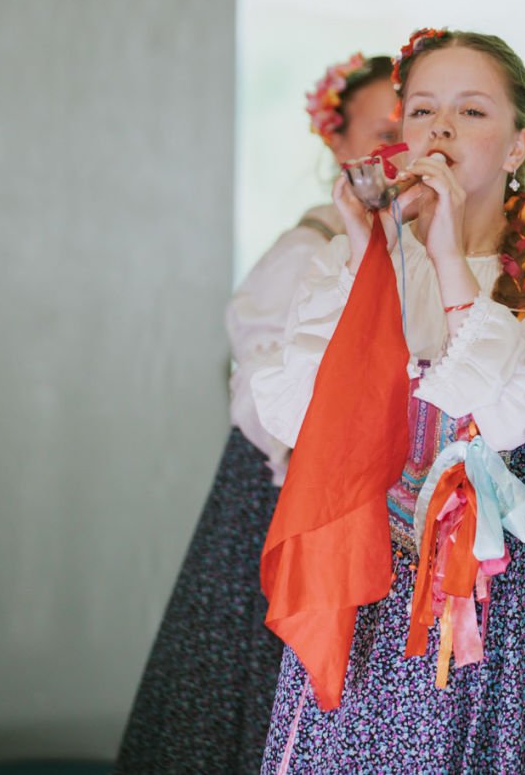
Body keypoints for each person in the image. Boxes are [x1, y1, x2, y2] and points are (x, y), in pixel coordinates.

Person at [253, 29, 525, 773]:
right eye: (422, 111)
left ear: (517, 146)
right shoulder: (355, 259)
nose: (441, 130)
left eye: (471, 111)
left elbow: (511, 416)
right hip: (370, 588)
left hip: (501, 604)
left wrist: (449, 253)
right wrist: (365, 252)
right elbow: (294, 415)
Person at [114, 52, 399, 774]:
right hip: (282, 499)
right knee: (248, 687)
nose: (401, 147)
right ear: (338, 141)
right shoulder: (309, 248)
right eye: (384, 131)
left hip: (352, 502)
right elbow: (258, 385)